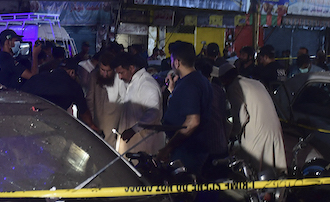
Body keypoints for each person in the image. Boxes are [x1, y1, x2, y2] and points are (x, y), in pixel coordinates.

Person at [158, 41, 228, 179]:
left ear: (177, 62)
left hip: (188, 152)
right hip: (194, 149)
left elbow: (193, 121)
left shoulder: (190, 84)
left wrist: (168, 148)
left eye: (172, 60)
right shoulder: (199, 80)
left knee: (183, 192)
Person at [217, 63, 287, 175]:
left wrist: (230, 135)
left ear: (224, 79)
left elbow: (241, 117)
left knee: (254, 172)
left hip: (257, 133)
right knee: (275, 171)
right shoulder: (255, 82)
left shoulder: (235, 87)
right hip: (275, 129)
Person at [20, 58, 96, 129]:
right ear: (72, 72)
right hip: (52, 123)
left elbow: (21, 95)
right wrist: (93, 127)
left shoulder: (39, 77)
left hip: (27, 119)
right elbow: (84, 113)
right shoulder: (73, 86)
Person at [115, 52, 165, 155]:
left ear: (132, 68)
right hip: (133, 143)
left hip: (143, 144)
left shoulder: (146, 84)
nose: (119, 77)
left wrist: (134, 130)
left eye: (121, 73)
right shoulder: (133, 82)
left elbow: (153, 112)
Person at [86, 50, 123, 143]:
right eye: (102, 70)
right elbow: (90, 100)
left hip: (114, 120)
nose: (105, 74)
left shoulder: (120, 78)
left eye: (108, 71)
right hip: (97, 120)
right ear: (99, 67)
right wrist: (90, 121)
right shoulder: (94, 76)